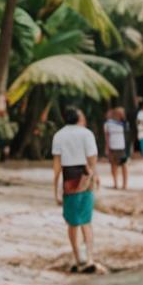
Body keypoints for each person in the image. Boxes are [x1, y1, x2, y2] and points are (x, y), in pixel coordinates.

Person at [52, 107, 99, 273]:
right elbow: (92, 159)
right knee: (86, 220)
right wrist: (94, 177)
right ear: (79, 118)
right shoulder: (86, 134)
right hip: (85, 178)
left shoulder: (59, 135)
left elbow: (57, 165)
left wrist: (55, 188)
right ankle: (90, 258)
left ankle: (78, 257)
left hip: (68, 179)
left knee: (72, 222)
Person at [103, 107, 129, 190]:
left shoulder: (123, 123)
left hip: (122, 147)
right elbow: (106, 137)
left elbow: (127, 131)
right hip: (112, 147)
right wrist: (107, 148)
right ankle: (115, 183)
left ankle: (124, 184)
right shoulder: (107, 124)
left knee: (124, 165)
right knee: (113, 165)